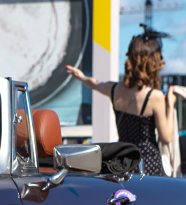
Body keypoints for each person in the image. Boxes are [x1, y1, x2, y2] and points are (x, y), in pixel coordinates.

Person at [66, 30, 178, 176]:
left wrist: (80, 77)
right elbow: (166, 137)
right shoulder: (154, 97)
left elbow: (95, 84)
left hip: (122, 162)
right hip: (148, 164)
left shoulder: (114, 89)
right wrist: (170, 103)